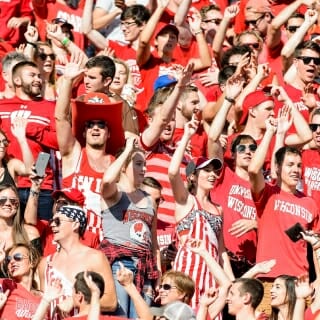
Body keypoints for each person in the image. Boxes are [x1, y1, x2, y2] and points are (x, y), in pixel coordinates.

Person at [248, 118, 320, 311]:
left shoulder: (310, 203)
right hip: (269, 280)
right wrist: (271, 132)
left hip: (299, 282)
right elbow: (254, 169)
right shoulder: (268, 194)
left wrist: (319, 279)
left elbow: (315, 246)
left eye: (298, 165)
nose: (296, 170)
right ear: (277, 168)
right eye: (290, 165)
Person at [55, 55, 124, 237]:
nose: (95, 128)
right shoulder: (74, 155)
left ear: (109, 133)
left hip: (105, 238)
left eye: (101, 125)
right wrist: (68, 81)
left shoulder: (116, 163)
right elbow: (61, 119)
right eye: (90, 125)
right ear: (83, 132)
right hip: (73, 237)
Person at [168, 115, 233, 308]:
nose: (213, 175)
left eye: (215, 171)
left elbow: (221, 252)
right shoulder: (186, 201)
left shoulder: (218, 209)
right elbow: (172, 172)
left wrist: (231, 282)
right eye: (207, 171)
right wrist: (187, 135)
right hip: (186, 275)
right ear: (193, 177)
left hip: (211, 277)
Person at [99, 137, 160, 318]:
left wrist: (158, 275)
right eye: (139, 164)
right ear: (124, 166)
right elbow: (107, 180)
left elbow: (154, 244)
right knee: (120, 316)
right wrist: (126, 151)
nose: (144, 169)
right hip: (119, 263)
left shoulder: (150, 200)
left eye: (145, 164)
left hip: (145, 266)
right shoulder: (114, 193)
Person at [0, 60, 58, 220]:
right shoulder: (2, 106)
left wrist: (31, 130)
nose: (38, 79)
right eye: (32, 75)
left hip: (41, 183)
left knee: (38, 235)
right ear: (17, 80)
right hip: (7, 183)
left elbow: (60, 143)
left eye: (39, 76)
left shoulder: (50, 106)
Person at [37, 205, 117, 318]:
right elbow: (42, 306)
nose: (52, 225)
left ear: (75, 224)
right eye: (51, 221)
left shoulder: (95, 258)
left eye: (58, 221)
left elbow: (111, 302)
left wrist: (74, 301)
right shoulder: (45, 263)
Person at [0, 243, 42, 319]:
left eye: (18, 257)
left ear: (32, 262)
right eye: (8, 259)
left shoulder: (43, 297)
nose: (12, 262)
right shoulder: (5, 284)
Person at [0, 184, 40, 255]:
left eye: (13, 201)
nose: (8, 203)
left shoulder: (30, 233)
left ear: (18, 204)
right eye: (2, 200)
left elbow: (37, 264)